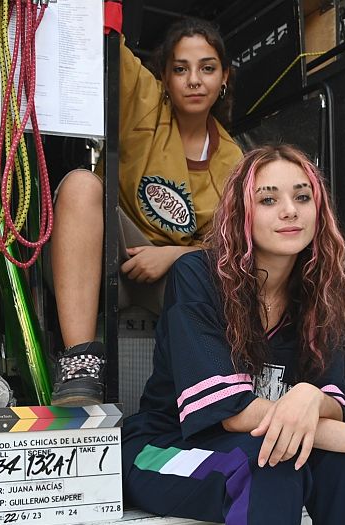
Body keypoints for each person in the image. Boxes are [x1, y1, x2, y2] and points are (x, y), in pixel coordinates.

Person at [122, 144, 345, 525]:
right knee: (268, 466)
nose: (289, 211)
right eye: (268, 199)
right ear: (241, 213)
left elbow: (335, 401)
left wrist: (308, 397)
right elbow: (233, 413)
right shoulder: (198, 275)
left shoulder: (318, 290)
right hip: (164, 449)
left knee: (336, 466)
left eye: (302, 198)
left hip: (250, 447)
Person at [48, 17, 243, 405]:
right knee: (80, 185)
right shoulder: (146, 104)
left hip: (172, 278)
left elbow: (236, 246)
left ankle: (209, 389)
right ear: (165, 78)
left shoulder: (235, 160)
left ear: (224, 78)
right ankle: (79, 365)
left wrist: (171, 255)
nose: (193, 80)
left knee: (216, 268)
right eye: (180, 69)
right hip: (108, 251)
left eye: (207, 68)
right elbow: (106, 35)